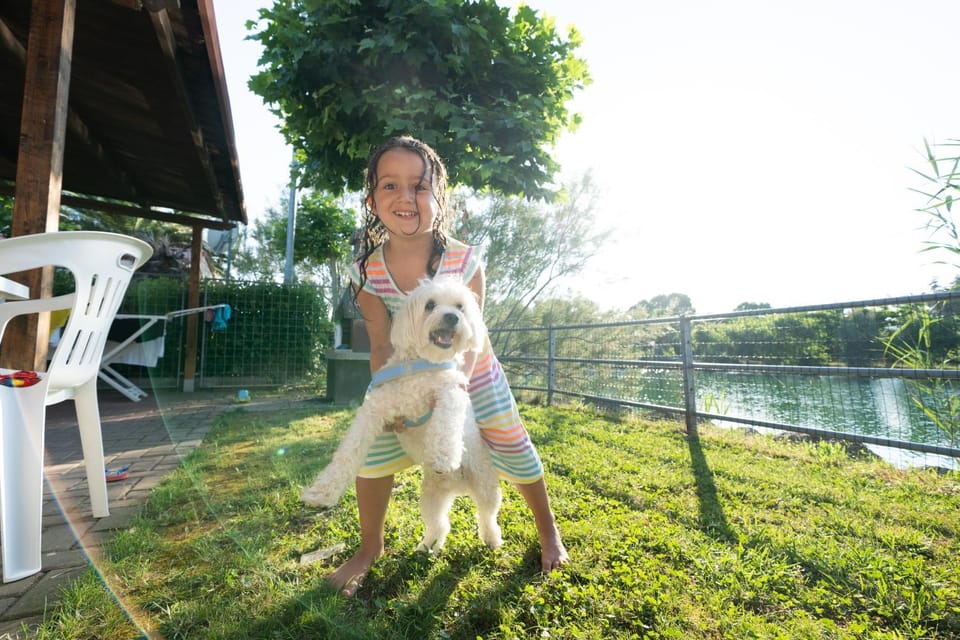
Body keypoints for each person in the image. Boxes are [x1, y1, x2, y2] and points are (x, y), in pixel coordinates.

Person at [326, 135, 569, 596]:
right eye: (390, 186)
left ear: (439, 196)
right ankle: (369, 547)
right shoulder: (366, 272)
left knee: (512, 444)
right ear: (372, 198)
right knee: (373, 454)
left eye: (420, 186)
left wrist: (455, 386)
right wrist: (388, 396)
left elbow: (475, 334)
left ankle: (547, 530)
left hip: (470, 371)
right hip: (402, 373)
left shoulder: (464, 258)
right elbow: (380, 346)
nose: (406, 197)